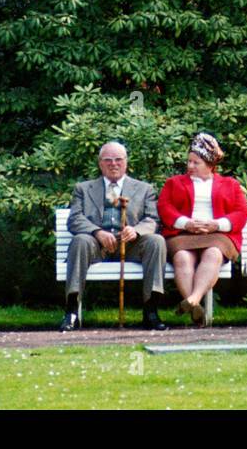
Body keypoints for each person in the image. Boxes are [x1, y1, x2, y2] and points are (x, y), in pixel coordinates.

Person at [62, 140, 168, 331]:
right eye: (108, 160)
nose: (114, 164)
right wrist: (97, 232)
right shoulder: (83, 189)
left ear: (126, 162)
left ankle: (151, 311)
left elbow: (153, 219)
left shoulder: (144, 189)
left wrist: (136, 230)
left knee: (156, 241)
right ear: (100, 163)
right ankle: (72, 312)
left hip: (131, 245)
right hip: (96, 245)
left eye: (118, 159)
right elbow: (74, 219)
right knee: (80, 240)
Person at [158, 132, 247, 325]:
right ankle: (195, 305)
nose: (190, 166)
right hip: (183, 233)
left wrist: (217, 224)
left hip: (218, 235)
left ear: (209, 164)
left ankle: (192, 300)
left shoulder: (230, 184)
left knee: (214, 254)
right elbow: (164, 208)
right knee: (182, 257)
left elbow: (241, 213)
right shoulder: (173, 183)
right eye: (189, 161)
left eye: (195, 162)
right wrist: (186, 223)